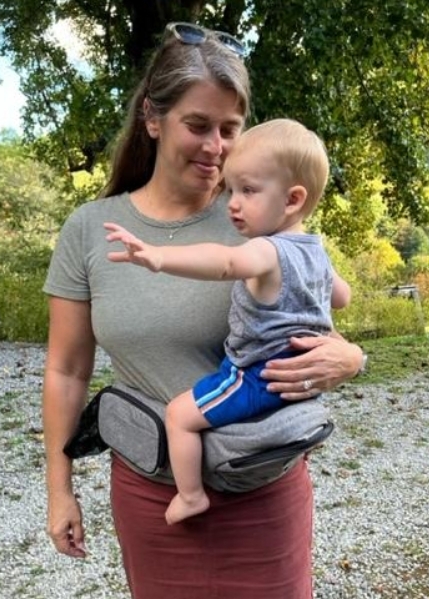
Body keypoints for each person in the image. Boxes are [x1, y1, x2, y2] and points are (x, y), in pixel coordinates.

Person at [42, 21, 365, 599]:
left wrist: (352, 358)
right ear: (153, 118)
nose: (215, 146)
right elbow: (66, 370)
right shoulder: (90, 229)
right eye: (198, 125)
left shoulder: (260, 217)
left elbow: (316, 315)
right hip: (151, 499)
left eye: (229, 129)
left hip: (263, 492)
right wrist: (59, 489)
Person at [104, 118, 351, 525]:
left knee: (179, 415)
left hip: (256, 374)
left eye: (248, 191)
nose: (233, 203)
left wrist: (159, 256)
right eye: (231, 190)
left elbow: (225, 262)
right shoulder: (318, 253)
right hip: (297, 371)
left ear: (292, 200)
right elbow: (342, 297)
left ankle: (190, 495)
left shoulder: (267, 250)